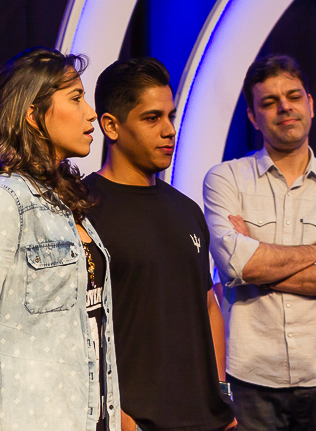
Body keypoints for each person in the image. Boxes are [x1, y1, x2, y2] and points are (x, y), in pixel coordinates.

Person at [203, 54, 316, 431]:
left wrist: (257, 261)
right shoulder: (225, 180)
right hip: (251, 379)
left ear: (310, 104)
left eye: (293, 96)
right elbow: (235, 264)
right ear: (252, 116)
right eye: (269, 102)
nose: (284, 108)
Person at [84, 57, 234, 431]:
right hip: (134, 420)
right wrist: (116, 416)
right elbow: (72, 327)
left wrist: (221, 395)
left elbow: (208, 305)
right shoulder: (81, 209)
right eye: (152, 118)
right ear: (111, 126)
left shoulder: (186, 209)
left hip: (205, 420)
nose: (169, 130)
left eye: (171, 116)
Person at [0, 47, 120, 429]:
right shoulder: (5, 198)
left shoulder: (63, 201)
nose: (90, 112)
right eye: (76, 98)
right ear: (33, 114)